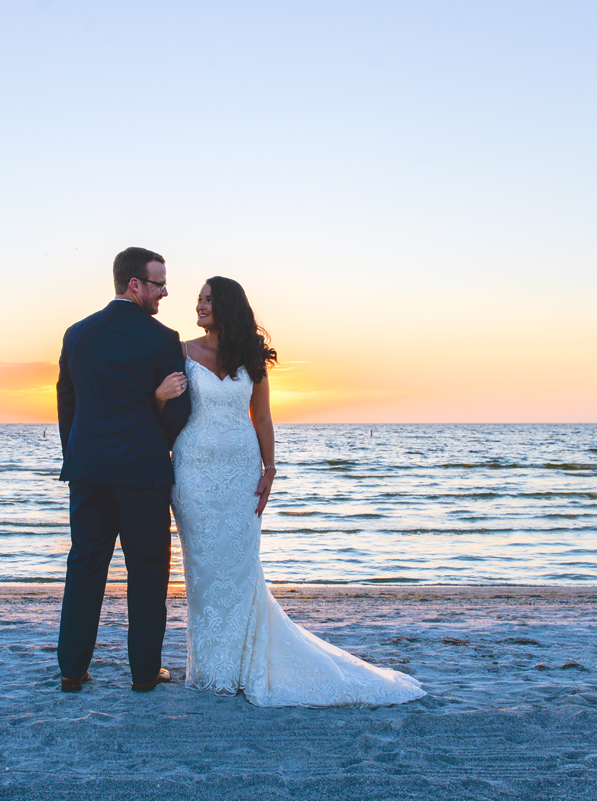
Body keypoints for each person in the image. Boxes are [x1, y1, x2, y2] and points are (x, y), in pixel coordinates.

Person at [156, 276, 424, 707]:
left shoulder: (251, 357)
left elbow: (261, 417)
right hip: (194, 474)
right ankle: (211, 669)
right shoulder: (181, 352)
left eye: (207, 300)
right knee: (204, 571)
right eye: (198, 301)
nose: (199, 307)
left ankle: (241, 665)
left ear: (227, 305)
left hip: (242, 472)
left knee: (241, 568)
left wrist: (270, 468)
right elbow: (163, 406)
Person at [55, 247, 192, 693]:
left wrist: (78, 456)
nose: (165, 292)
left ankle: (72, 670)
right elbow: (179, 410)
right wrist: (156, 440)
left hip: (88, 471)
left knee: (85, 566)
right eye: (158, 284)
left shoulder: (76, 334)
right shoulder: (162, 338)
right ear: (134, 284)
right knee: (148, 571)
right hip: (143, 474)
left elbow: (67, 404)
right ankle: (143, 673)